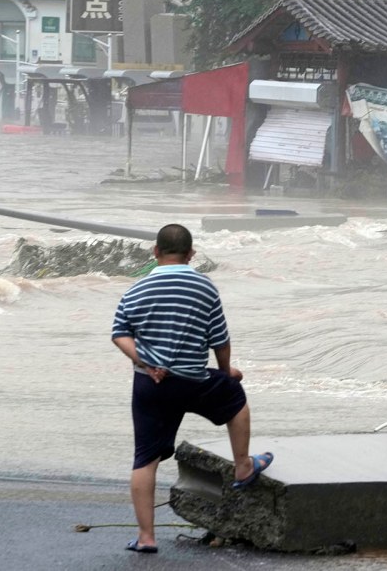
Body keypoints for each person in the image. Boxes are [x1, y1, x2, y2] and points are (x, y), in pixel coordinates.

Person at [111, 223, 273, 554]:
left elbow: (119, 333)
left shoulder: (137, 289)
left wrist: (144, 362)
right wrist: (227, 373)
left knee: (145, 459)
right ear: (191, 254)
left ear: (155, 252)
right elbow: (220, 339)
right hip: (194, 381)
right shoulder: (204, 287)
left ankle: (146, 538)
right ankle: (243, 465)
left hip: (150, 385)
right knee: (236, 399)